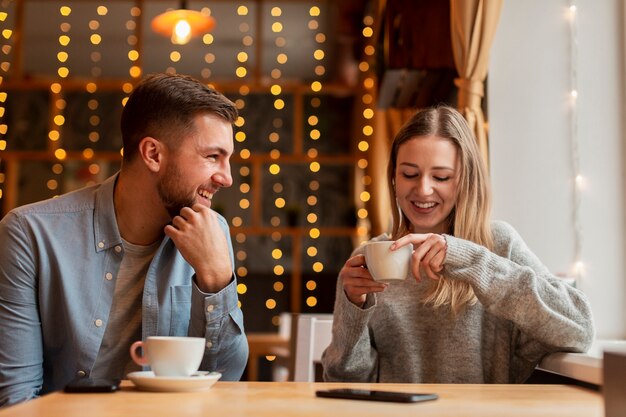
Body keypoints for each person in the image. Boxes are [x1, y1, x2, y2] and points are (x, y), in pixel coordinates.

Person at [0, 73, 248, 407]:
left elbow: (226, 379)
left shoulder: (212, 232)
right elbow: (15, 399)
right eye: (212, 157)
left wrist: (217, 279)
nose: (227, 177)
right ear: (153, 154)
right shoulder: (29, 234)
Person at [321, 105, 595, 384]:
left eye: (441, 177)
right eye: (409, 174)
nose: (423, 189)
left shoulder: (496, 245)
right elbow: (344, 381)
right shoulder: (371, 259)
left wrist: (469, 260)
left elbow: (579, 327)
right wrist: (352, 307)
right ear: (393, 177)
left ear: (465, 180)